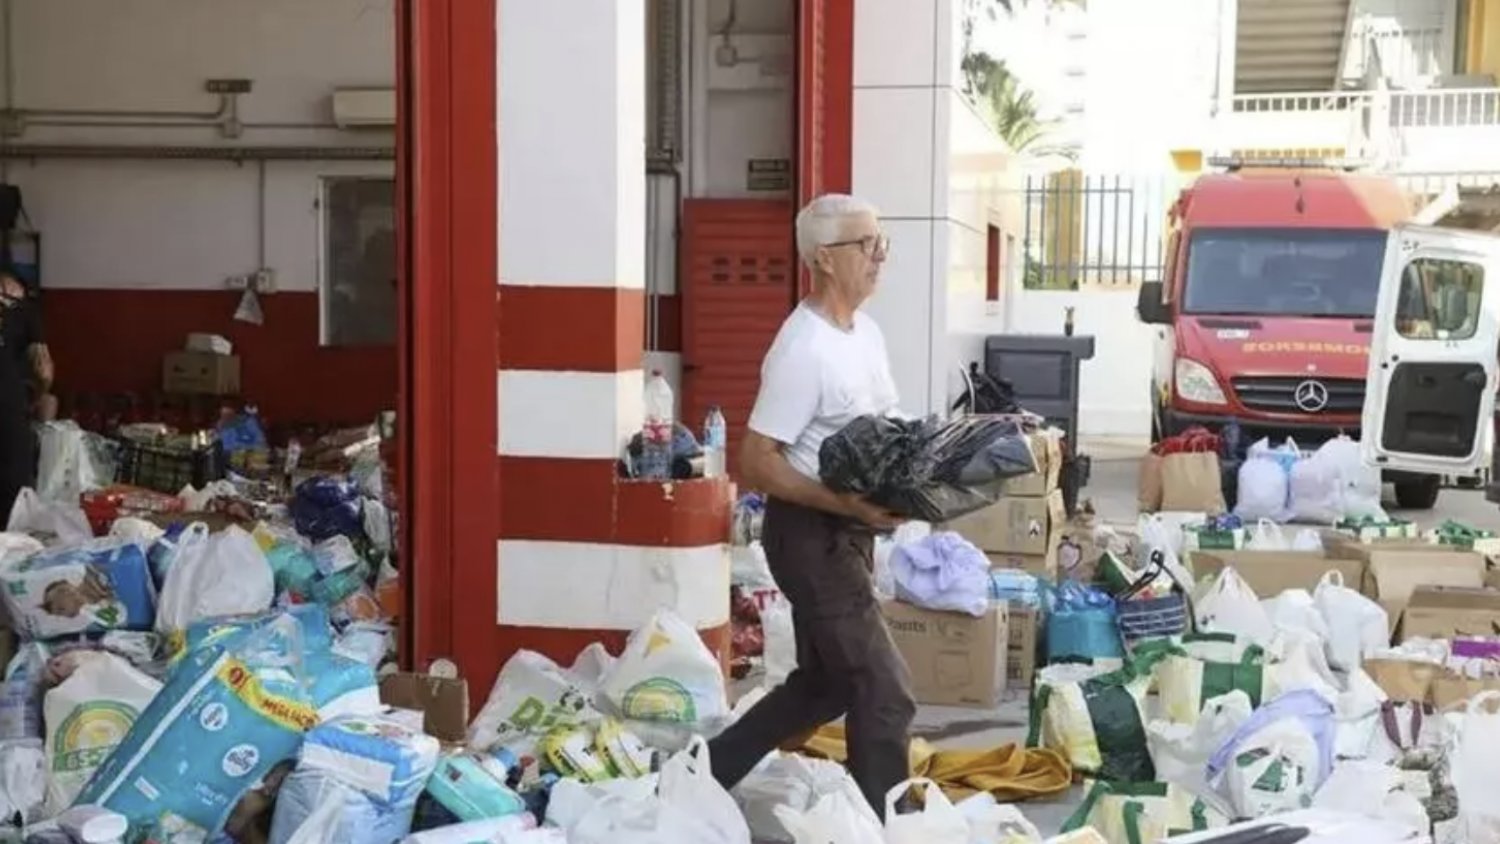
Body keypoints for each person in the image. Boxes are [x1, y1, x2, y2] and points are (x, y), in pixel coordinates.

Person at [706, 193, 915, 816]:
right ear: (824, 258)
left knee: (825, 685)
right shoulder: (803, 349)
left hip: (850, 531)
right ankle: (885, 828)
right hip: (810, 536)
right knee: (884, 690)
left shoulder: (865, 333)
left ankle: (701, 774)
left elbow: (882, 429)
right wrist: (842, 500)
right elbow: (758, 461)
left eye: (883, 242)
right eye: (865, 244)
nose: (880, 256)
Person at [0, 266, 51, 522]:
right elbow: (43, 369)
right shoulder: (25, 311)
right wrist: (39, 395)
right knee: (14, 475)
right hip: (8, 399)